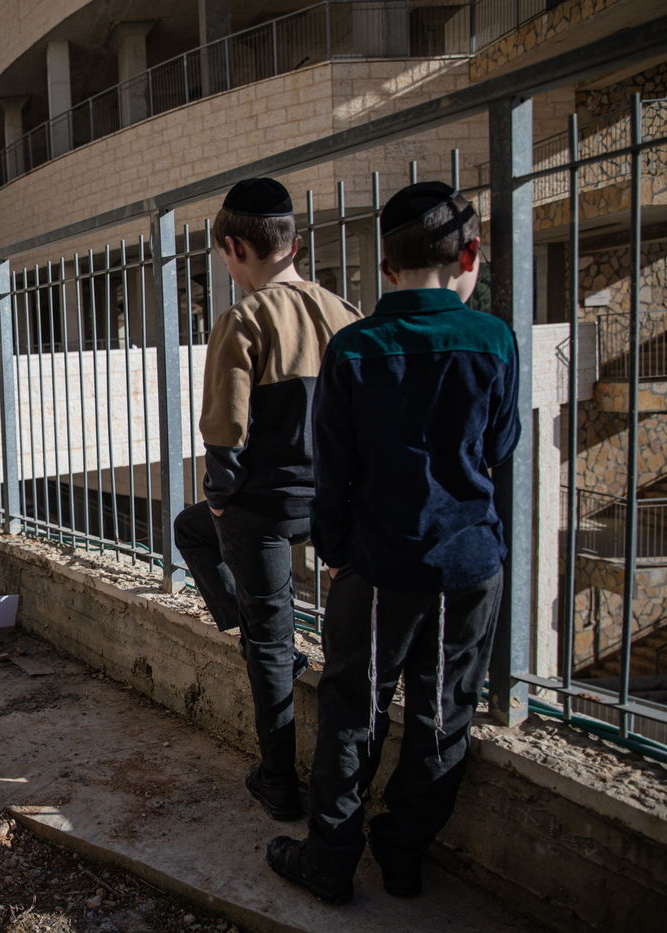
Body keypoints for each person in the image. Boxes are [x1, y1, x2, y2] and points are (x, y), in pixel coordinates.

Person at [267, 182, 519, 904]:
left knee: (355, 712)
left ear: (384, 267)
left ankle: (331, 861)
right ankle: (404, 853)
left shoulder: (353, 349)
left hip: (378, 568)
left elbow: (332, 468)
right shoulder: (495, 339)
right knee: (445, 716)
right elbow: (501, 442)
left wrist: (336, 545)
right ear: (468, 254)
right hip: (471, 565)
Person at [171, 179, 359, 822]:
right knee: (191, 532)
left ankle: (279, 781)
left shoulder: (242, 319)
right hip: (332, 504)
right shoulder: (346, 313)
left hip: (262, 508)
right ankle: (255, 630)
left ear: (233, 246)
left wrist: (220, 498)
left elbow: (224, 431)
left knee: (267, 636)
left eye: (224, 256)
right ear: (294, 243)